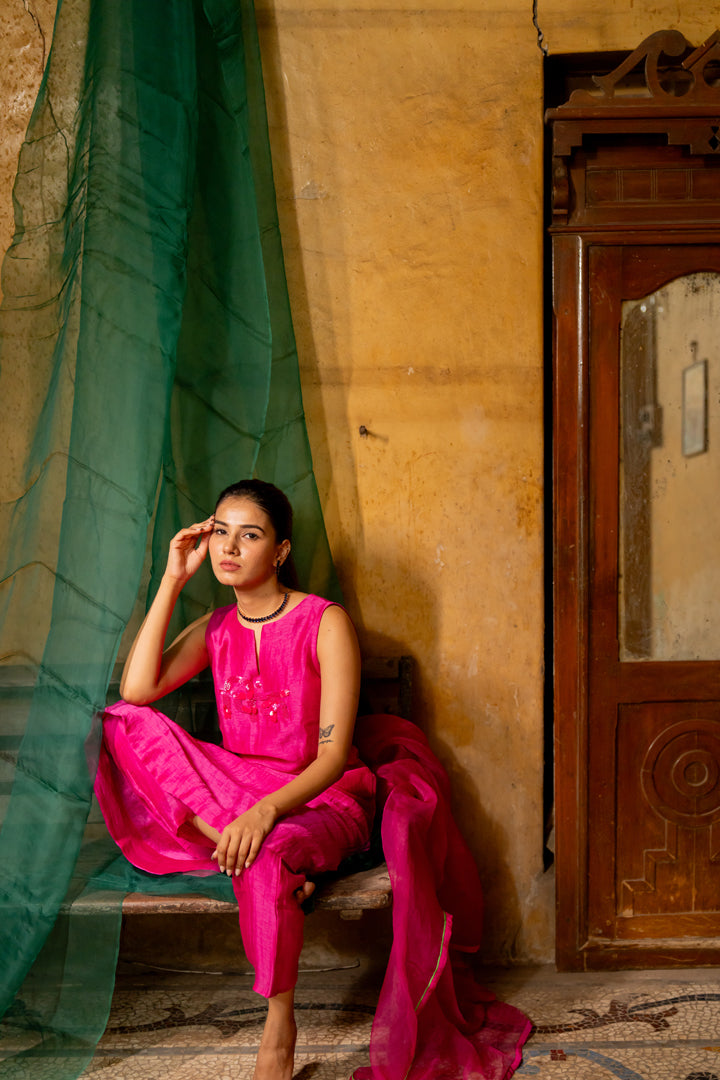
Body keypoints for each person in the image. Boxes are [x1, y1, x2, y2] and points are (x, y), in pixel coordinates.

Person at [95, 479, 376, 1080]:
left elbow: (331, 760)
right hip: (238, 795)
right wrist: (173, 578)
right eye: (220, 532)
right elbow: (137, 691)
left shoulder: (324, 622)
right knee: (123, 722)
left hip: (321, 798)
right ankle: (252, 853)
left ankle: (278, 1028)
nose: (228, 548)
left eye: (249, 535)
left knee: (266, 850)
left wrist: (265, 811)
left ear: (280, 550)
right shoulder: (217, 627)